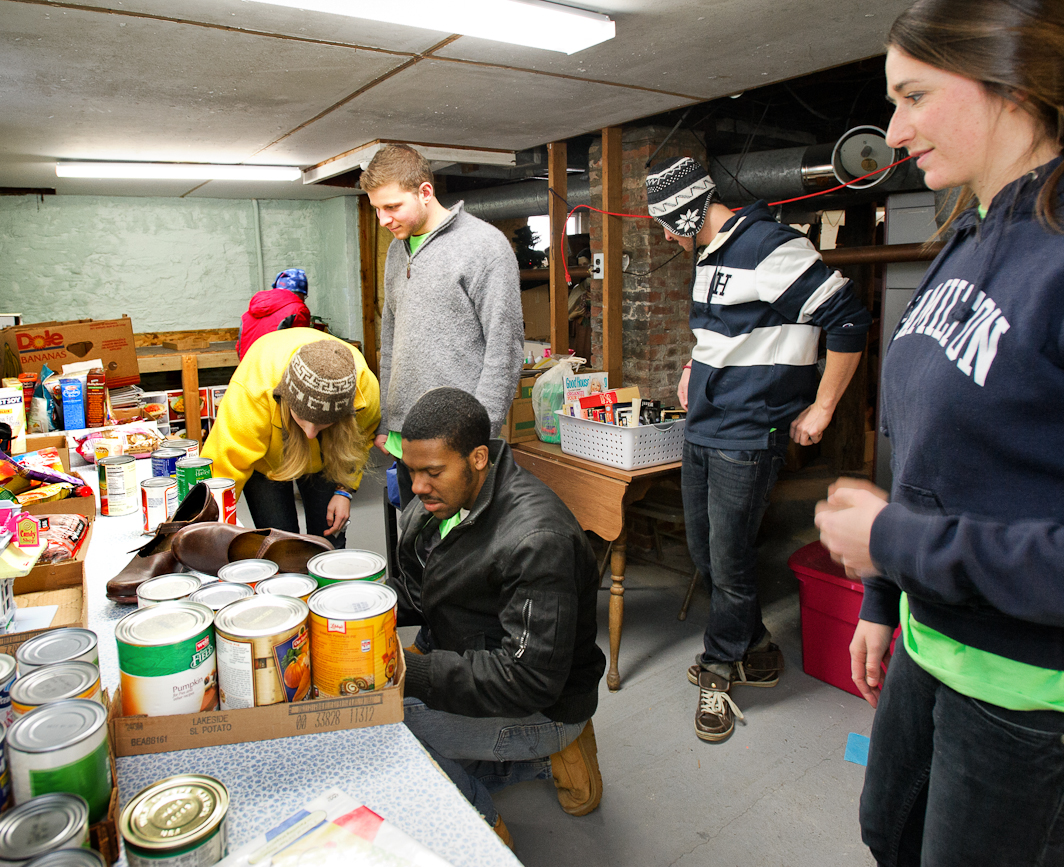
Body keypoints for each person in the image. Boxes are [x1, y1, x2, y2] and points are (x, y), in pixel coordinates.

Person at [815, 2, 1064, 863]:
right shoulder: (968, 233)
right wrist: (887, 590)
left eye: (915, 95)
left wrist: (894, 539)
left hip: (1031, 693)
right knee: (889, 831)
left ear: (1012, 81)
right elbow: (936, 452)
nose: (895, 128)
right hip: (934, 639)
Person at [646, 155, 872, 742]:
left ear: (689, 208)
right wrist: (696, 364)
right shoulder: (711, 253)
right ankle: (758, 648)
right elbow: (725, 329)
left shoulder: (772, 247)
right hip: (705, 422)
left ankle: (722, 667)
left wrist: (822, 407)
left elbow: (848, 319)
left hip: (749, 432)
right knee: (705, 552)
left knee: (731, 559)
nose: (669, 236)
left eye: (669, 223)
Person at [390, 387, 606, 847]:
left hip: (545, 703)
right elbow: (419, 594)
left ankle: (485, 835)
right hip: (474, 652)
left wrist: (412, 672)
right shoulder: (440, 505)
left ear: (479, 458)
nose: (417, 487)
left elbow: (527, 679)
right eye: (411, 471)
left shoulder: (536, 537)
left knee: (388, 721)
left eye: (431, 472)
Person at [360, 144, 524, 506]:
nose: (383, 220)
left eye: (392, 207)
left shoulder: (484, 247)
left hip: (457, 444)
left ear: (425, 192)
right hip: (405, 439)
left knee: (462, 550)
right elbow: (390, 341)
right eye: (376, 209)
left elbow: (505, 349)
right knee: (414, 546)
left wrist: (479, 437)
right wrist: (387, 421)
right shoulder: (395, 251)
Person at [203, 328, 380, 548]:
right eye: (302, 419)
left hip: (329, 457)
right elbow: (224, 466)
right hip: (267, 460)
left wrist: (344, 491)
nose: (310, 434)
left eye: (324, 423)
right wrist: (204, 528)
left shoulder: (364, 389)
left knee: (327, 541)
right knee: (279, 545)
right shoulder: (253, 390)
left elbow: (360, 441)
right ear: (283, 398)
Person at [237, 268, 312, 359]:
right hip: (275, 369)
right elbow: (301, 348)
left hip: (248, 368)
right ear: (300, 293)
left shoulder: (247, 314)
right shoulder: (298, 309)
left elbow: (239, 347)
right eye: (304, 296)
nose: (304, 299)